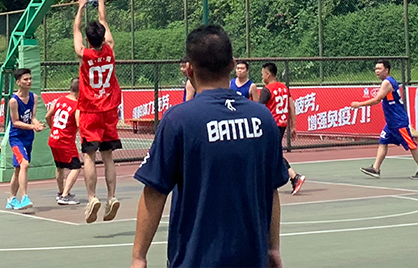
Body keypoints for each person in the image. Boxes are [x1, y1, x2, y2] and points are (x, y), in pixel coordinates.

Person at [131, 25, 288, 268]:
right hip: (251, 258)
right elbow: (272, 189)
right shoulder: (263, 118)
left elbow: (155, 191)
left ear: (190, 70)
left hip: (195, 260)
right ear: (231, 64)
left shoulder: (178, 120)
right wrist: (273, 248)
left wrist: (139, 257)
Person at [74, 0, 123, 223]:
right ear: (103, 38)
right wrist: (101, 0)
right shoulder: (110, 48)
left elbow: (75, 31)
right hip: (110, 108)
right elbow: (103, 21)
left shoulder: (84, 54)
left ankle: (92, 197)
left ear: (88, 39)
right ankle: (112, 196)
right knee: (109, 156)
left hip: (90, 110)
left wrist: (81, 6)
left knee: (89, 156)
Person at [352, 60, 418, 180]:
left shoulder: (387, 83)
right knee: (383, 141)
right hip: (391, 122)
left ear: (387, 70)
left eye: (379, 69)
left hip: (398, 121)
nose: (376, 71)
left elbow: (377, 99)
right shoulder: (388, 82)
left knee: (411, 145)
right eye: (376, 69)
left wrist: (359, 104)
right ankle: (376, 168)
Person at [258, 62, 306, 194]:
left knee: (271, 153)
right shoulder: (284, 88)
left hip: (270, 126)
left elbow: (259, 109)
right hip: (282, 124)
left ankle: (294, 176)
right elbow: (291, 106)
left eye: (262, 74)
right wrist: (293, 126)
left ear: (268, 74)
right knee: (272, 153)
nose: (262, 77)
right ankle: (283, 177)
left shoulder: (267, 90)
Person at [6, 67, 45, 210]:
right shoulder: (13, 101)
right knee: (25, 164)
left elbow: (32, 117)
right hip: (16, 139)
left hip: (28, 138)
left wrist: (37, 124)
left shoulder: (34, 97)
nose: (29, 81)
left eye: (30, 78)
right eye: (25, 79)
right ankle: (24, 197)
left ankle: (11, 198)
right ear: (18, 82)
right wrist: (32, 127)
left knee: (18, 170)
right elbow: (15, 122)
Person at [45, 77, 82, 205]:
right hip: (65, 140)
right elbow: (79, 122)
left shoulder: (59, 100)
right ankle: (65, 196)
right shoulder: (77, 105)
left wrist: (53, 129)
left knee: (60, 166)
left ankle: (61, 192)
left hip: (54, 138)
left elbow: (47, 116)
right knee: (76, 167)